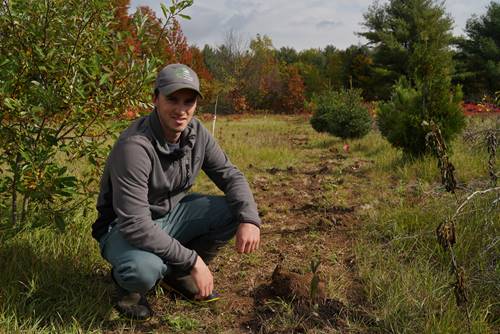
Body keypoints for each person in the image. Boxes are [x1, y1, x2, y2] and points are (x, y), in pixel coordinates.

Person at [92, 63, 261, 320]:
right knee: (144, 269)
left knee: (233, 210)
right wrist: (192, 259)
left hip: (170, 215)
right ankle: (130, 289)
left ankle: (176, 275)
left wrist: (249, 219)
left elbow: (230, 175)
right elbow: (135, 224)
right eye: (173, 99)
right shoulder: (135, 146)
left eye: (189, 101)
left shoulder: (197, 133)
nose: (181, 110)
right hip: (123, 226)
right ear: (156, 98)